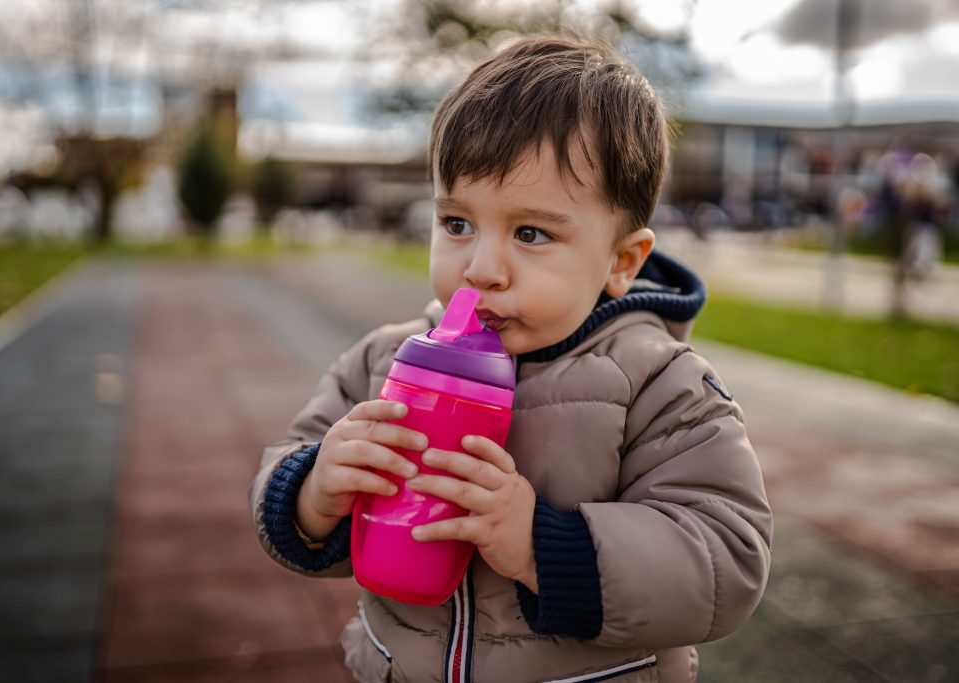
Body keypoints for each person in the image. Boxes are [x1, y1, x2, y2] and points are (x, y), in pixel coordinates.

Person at [251, 35, 771, 683]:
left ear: (621, 261)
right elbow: (289, 467)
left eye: (530, 233)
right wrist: (314, 491)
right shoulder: (382, 361)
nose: (481, 268)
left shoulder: (661, 384)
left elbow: (727, 558)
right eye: (457, 223)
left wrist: (542, 546)